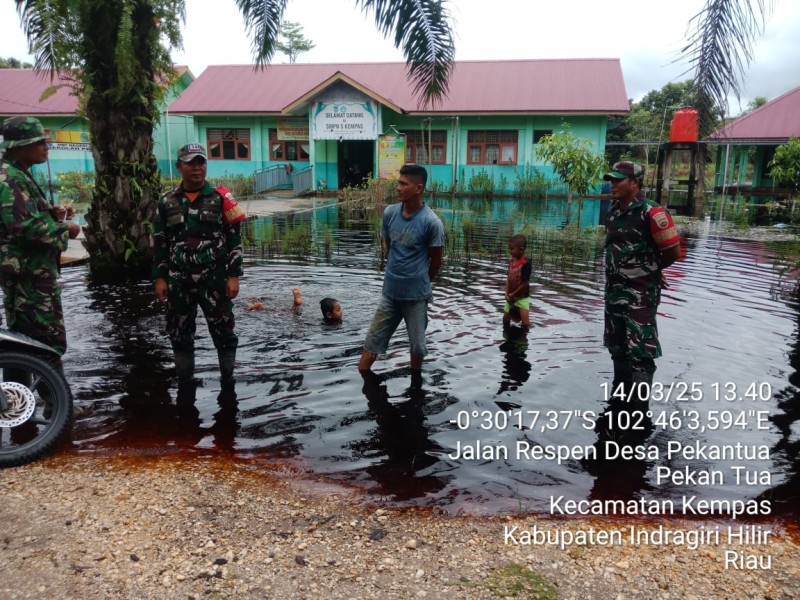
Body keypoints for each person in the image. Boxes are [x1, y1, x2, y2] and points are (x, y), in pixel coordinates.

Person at [153, 143, 246, 402]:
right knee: (180, 332)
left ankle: (228, 384)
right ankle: (186, 384)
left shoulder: (221, 198)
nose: (197, 168)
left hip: (214, 279)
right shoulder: (167, 200)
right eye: (191, 163)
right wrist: (160, 278)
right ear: (179, 166)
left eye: (201, 162)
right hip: (178, 281)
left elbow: (234, 240)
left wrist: (234, 274)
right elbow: (160, 241)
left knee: (224, 332)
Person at [0, 117, 81, 368]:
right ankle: (56, 404)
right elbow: (24, 229)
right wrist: (65, 227)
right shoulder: (11, 179)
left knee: (22, 340)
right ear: (20, 146)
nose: (46, 147)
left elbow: (22, 218)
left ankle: (23, 401)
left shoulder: (17, 174)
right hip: (29, 276)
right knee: (46, 340)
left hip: (29, 273)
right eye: (39, 142)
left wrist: (52, 214)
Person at [603, 161, 680, 399]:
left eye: (618, 180)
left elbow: (673, 252)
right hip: (614, 290)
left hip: (640, 294)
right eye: (612, 180)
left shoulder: (654, 213)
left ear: (635, 182)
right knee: (616, 346)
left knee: (641, 352)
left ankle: (639, 410)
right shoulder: (614, 211)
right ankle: (619, 400)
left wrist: (651, 270)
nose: (612, 184)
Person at [358, 164, 444, 374]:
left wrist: (420, 281)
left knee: (417, 347)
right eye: (398, 182)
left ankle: (416, 386)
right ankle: (364, 377)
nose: (398, 187)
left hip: (416, 298)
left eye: (403, 184)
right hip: (390, 295)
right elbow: (389, 247)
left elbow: (436, 261)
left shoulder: (431, 222)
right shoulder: (390, 213)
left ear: (418, 188)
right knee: (372, 343)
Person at [503, 234, 531, 330]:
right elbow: (508, 278)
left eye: (512, 249)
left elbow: (525, 284)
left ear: (521, 249)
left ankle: (522, 343)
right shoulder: (511, 262)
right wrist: (507, 293)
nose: (510, 251)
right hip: (510, 297)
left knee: (526, 324)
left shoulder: (526, 264)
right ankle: (507, 339)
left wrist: (513, 295)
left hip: (522, 298)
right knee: (505, 320)